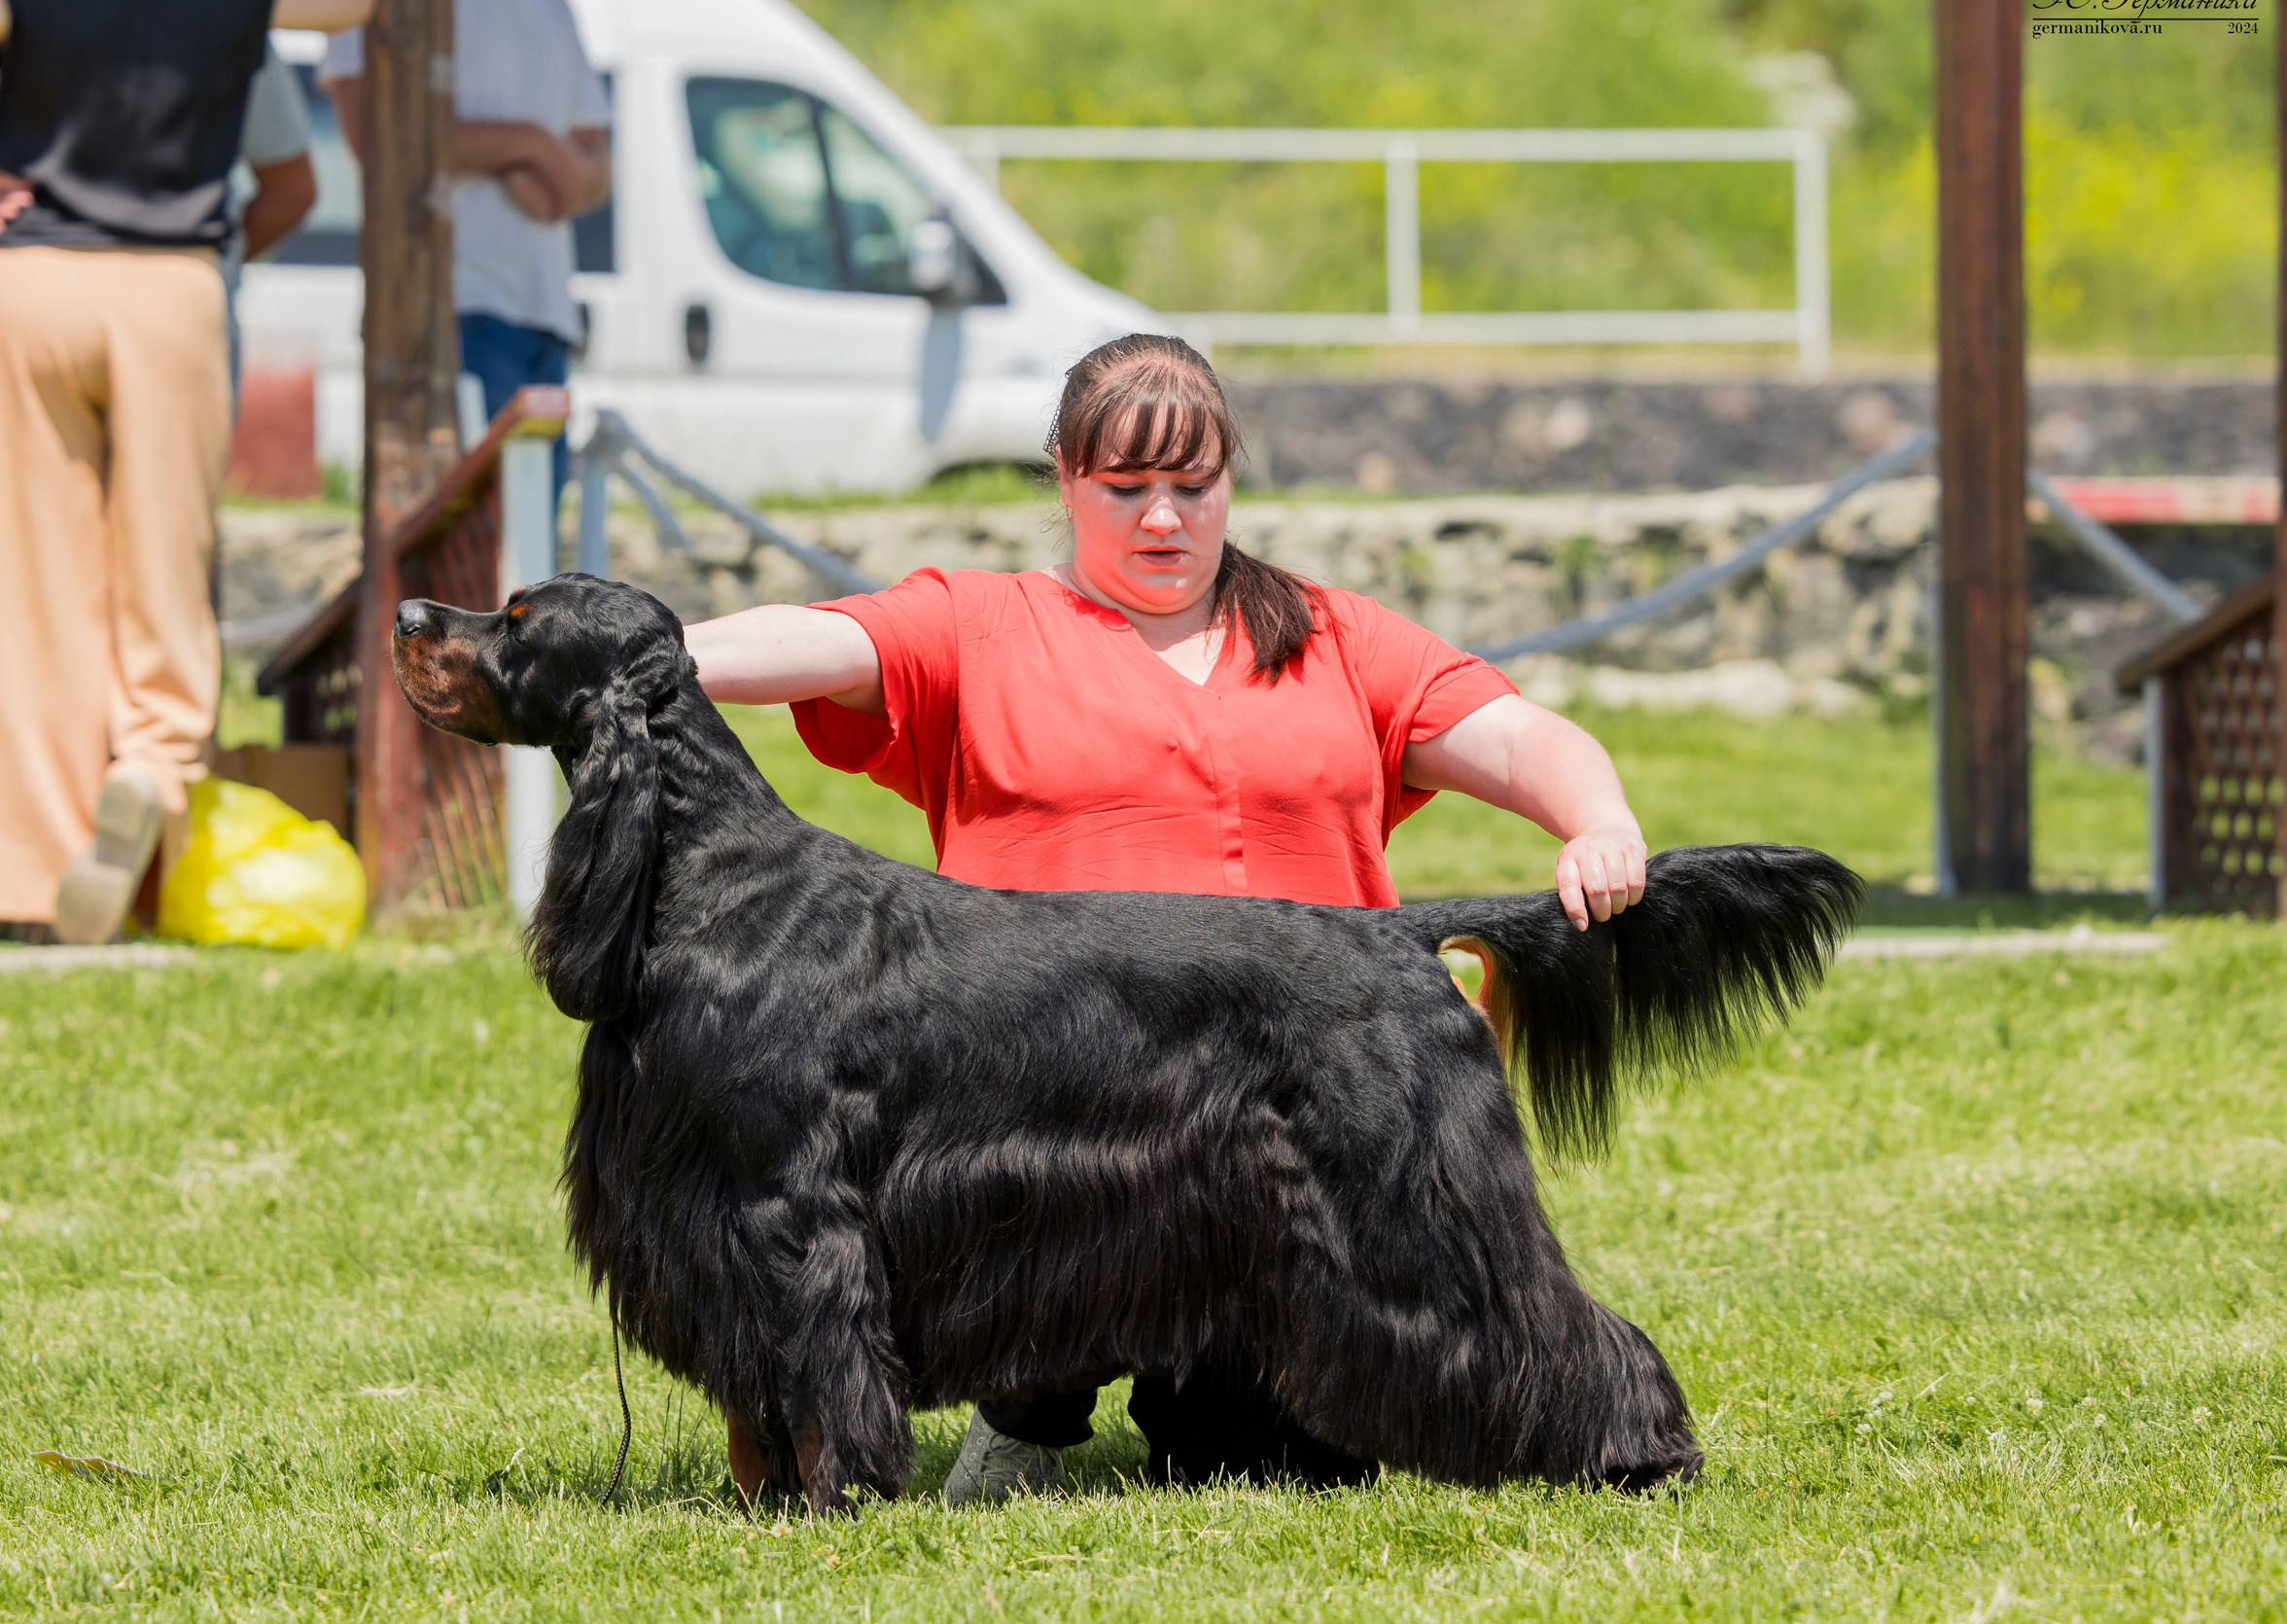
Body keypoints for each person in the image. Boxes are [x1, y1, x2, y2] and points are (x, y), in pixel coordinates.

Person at [686, 333, 1652, 1502]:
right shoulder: (978, 625)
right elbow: (817, 639)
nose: (1163, 520)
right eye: (1125, 487)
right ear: (1062, 477)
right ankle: (1025, 1412)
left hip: (1295, 1102)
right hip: (1042, 1117)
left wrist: (1596, 817)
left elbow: (1515, 734)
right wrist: (652, 655)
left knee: (1285, 1458)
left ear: (1231, 480)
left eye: (1193, 486)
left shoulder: (1331, 635)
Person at [0, 0, 373, 943]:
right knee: (163, 574)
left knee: (26, 586)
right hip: (168, 288)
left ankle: (31, 884)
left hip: (23, 280)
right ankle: (148, 774)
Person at [319, 0, 609, 496]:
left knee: (528, 554)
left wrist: (549, 166)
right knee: (466, 553)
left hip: (545, 318)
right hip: (443, 321)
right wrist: (531, 146)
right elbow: (379, 139)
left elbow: (594, 170)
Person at [0, 39, 321, 394]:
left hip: (67, 300)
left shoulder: (230, 5)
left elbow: (290, 192)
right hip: (57, 305)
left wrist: (209, 264)